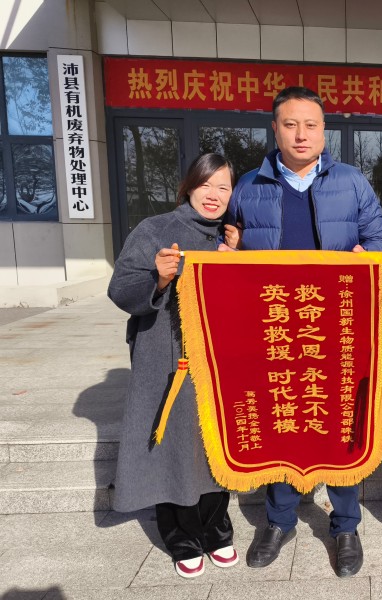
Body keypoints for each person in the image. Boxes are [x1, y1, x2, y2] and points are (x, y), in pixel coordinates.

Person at [223, 86, 382, 578]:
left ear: (323, 131)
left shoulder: (352, 182)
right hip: (274, 330)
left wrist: (369, 256)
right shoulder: (248, 186)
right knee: (282, 421)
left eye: (310, 125)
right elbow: (227, 246)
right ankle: (279, 521)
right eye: (290, 124)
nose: (301, 134)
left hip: (335, 331)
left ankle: (346, 524)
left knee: (340, 424)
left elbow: (377, 237)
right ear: (275, 129)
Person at [108, 153, 239, 579]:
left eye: (224, 187)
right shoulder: (155, 229)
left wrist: (236, 260)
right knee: (174, 447)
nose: (214, 195)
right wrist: (159, 278)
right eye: (206, 185)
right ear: (189, 187)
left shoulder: (231, 237)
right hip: (165, 358)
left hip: (217, 361)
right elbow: (120, 289)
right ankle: (182, 537)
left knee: (214, 443)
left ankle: (217, 528)